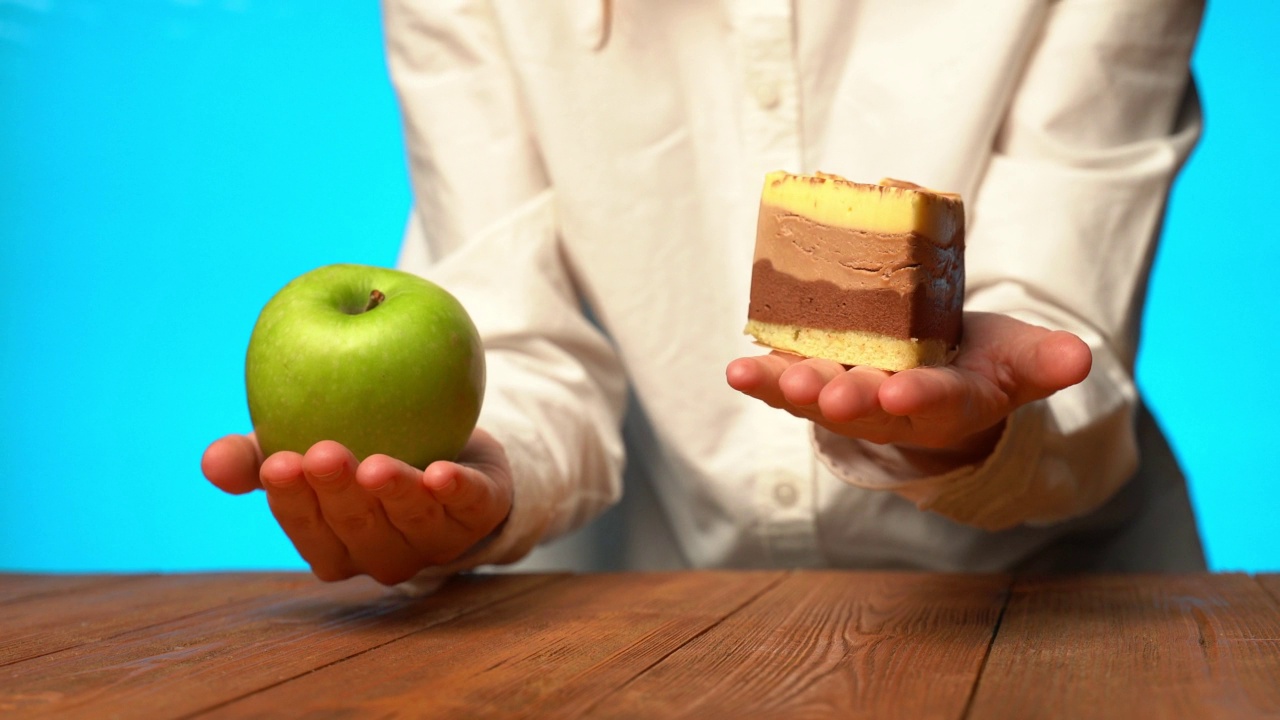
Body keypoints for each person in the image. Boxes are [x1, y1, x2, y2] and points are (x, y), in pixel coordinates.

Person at [202, 0, 1208, 586]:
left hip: (1046, 618)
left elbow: (1064, 321)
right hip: (629, 633)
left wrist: (962, 423)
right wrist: (476, 476)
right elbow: (508, 327)